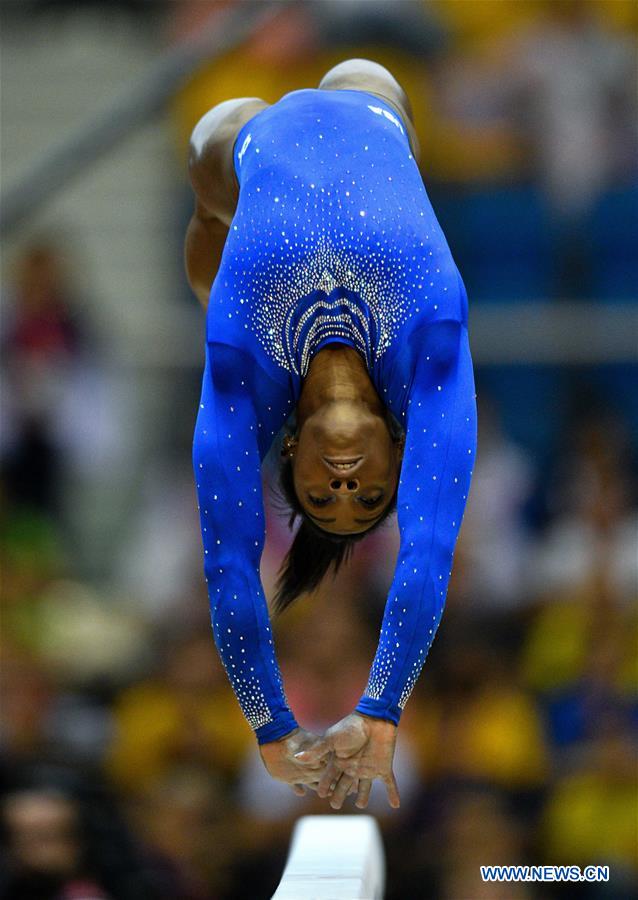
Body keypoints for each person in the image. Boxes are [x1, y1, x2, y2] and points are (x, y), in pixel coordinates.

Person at [185, 59, 477, 810]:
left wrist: (270, 723)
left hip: (249, 144)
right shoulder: (433, 352)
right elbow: (430, 548)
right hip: (372, 111)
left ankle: (218, 212)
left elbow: (228, 564)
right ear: (400, 452)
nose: (345, 482)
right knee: (365, 77)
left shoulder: (238, 372)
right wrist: (380, 708)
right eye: (369, 492)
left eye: (324, 495)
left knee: (211, 147)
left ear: (289, 453)